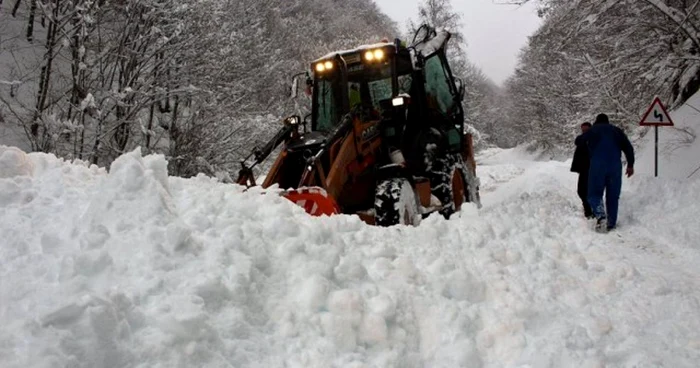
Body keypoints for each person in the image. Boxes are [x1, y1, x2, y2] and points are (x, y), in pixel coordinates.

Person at [575, 113, 635, 232]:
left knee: (594, 194)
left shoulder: (593, 130)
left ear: (596, 121)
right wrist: (630, 165)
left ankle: (601, 216)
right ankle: (611, 223)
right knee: (613, 196)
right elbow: (628, 147)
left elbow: (579, 141)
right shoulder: (617, 131)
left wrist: (585, 135)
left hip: (598, 166)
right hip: (615, 167)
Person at [571, 122, 594, 218]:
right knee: (582, 191)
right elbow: (577, 141)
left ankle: (589, 211)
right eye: (583, 130)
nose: (584, 131)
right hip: (584, 169)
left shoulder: (593, 139)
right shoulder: (582, 139)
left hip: (591, 169)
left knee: (584, 190)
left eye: (586, 130)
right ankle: (588, 209)